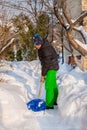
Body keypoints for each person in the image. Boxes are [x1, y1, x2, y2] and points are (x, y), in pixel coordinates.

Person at [34, 33, 59, 109]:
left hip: (50, 67)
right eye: (35, 44)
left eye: (38, 44)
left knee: (48, 86)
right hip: (53, 67)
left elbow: (46, 63)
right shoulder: (43, 46)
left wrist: (43, 75)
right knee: (53, 84)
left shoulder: (45, 50)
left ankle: (49, 104)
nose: (36, 46)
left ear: (41, 43)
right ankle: (54, 100)